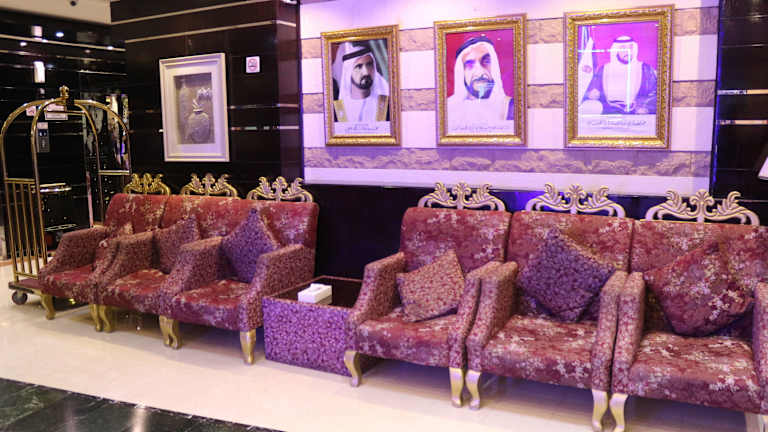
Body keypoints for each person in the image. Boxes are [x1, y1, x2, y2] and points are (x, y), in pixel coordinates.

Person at [446, 36, 514, 132]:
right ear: (461, 72)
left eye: (486, 61)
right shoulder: (449, 108)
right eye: (470, 64)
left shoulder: (510, 107)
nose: (480, 72)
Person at [582, 35, 658, 115]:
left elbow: (655, 92)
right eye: (623, 48)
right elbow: (592, 90)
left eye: (630, 47)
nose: (628, 51)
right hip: (609, 113)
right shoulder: (604, 69)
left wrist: (645, 106)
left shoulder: (644, 68)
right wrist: (592, 94)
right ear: (616, 50)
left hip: (637, 113)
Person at [332, 41, 389, 123]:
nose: (366, 72)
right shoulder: (338, 110)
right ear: (348, 72)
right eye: (359, 67)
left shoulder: (385, 106)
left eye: (369, 64)